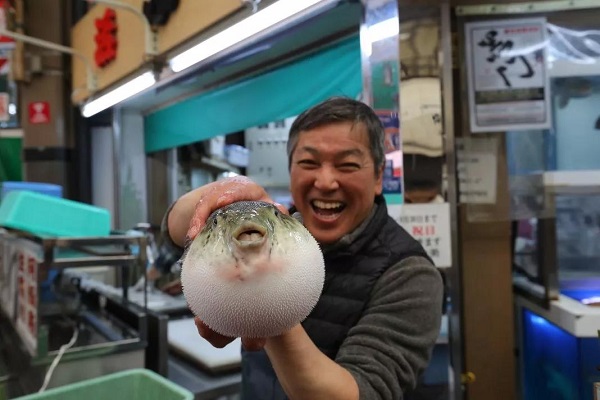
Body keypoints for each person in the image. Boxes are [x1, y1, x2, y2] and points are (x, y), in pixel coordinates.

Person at [162, 97, 444, 400]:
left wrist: (266, 299)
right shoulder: (275, 223)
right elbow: (175, 232)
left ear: (378, 177)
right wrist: (215, 199)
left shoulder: (410, 275)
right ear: (291, 170)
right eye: (308, 162)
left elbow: (363, 393)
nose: (325, 182)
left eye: (347, 164)